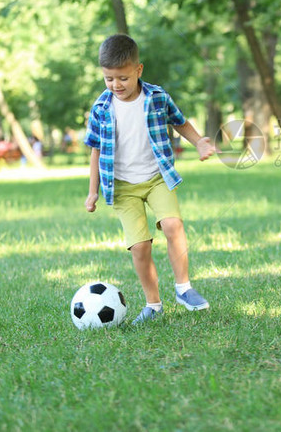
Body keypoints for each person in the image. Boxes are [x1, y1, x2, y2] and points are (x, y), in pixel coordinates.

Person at [84, 34, 216, 325]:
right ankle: (153, 305)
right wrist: (92, 192)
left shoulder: (157, 96)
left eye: (123, 78)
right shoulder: (101, 108)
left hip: (157, 177)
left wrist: (200, 143)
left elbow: (179, 121)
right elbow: (95, 150)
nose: (116, 85)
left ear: (138, 70)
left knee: (173, 224)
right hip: (121, 187)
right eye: (109, 79)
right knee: (140, 246)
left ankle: (184, 288)